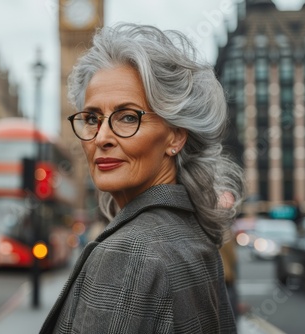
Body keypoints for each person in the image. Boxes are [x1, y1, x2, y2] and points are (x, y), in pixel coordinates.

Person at [40, 23, 244, 334]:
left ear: (175, 135)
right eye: (92, 118)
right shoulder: (194, 238)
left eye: (127, 117)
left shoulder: (128, 253)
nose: (101, 137)